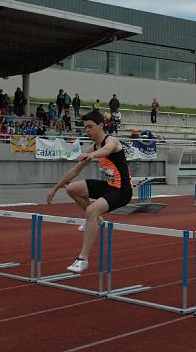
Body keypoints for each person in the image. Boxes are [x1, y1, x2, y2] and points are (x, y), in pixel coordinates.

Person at [46, 111, 133, 273]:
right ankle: (97, 220)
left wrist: (90, 155)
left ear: (101, 126)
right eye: (85, 127)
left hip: (122, 191)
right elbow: (75, 171)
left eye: (90, 127)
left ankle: (82, 259)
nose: (87, 131)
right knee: (71, 188)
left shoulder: (111, 140)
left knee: (90, 210)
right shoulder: (93, 147)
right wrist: (55, 188)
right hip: (109, 186)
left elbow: (107, 151)